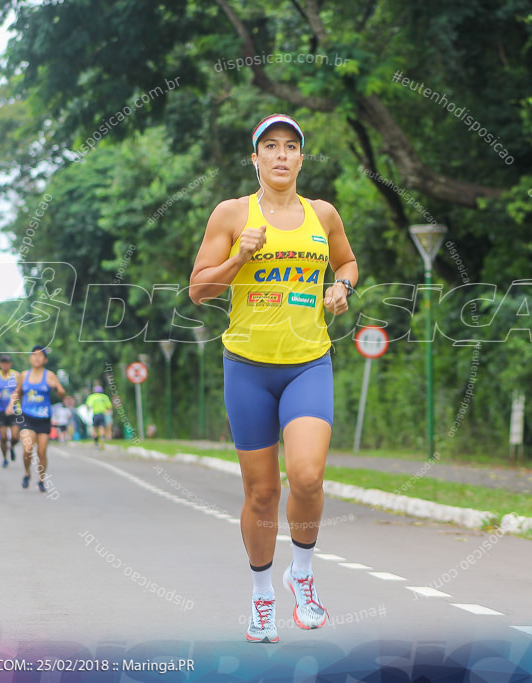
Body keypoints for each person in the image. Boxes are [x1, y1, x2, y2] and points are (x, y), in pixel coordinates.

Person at [189, 114, 358, 643]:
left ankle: (301, 576)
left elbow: (347, 262)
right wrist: (240, 255)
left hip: (309, 363)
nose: (282, 155)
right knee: (261, 494)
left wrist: (342, 288)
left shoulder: (322, 214)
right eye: (271, 146)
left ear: (301, 159)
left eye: (291, 147)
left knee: (306, 477)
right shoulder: (231, 214)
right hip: (247, 368)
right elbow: (199, 290)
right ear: (255, 158)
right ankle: (263, 597)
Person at [9, 345, 66, 492]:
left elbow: (62, 393)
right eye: (34, 355)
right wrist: (11, 405)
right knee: (27, 449)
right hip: (27, 417)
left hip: (44, 418)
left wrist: (57, 389)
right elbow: (17, 392)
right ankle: (27, 473)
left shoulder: (50, 376)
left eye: (40, 355)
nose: (37, 358)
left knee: (41, 451)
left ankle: (41, 478)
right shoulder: (23, 375)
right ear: (30, 358)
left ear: (45, 360)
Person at [0, 354, 21, 467]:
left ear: (10, 364)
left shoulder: (16, 375)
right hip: (0, 409)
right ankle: (5, 458)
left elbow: (21, 390)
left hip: (15, 409)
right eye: (3, 363)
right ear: (0, 364)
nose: (5, 365)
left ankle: (11, 446)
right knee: (3, 437)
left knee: (15, 436)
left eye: (7, 363)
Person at [85, 385, 112, 449]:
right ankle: (102, 440)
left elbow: (88, 406)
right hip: (102, 414)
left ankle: (96, 443)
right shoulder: (104, 397)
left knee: (95, 429)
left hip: (96, 414)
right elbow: (109, 407)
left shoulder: (92, 397)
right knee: (102, 428)